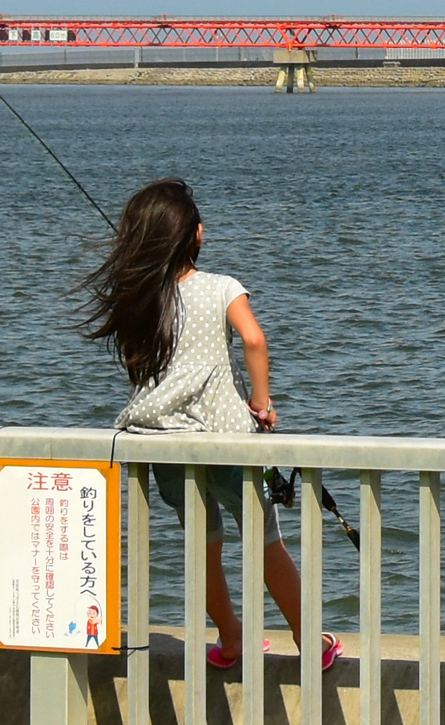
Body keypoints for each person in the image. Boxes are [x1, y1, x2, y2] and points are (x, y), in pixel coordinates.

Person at [84, 177, 331, 676]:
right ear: (194, 236)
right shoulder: (221, 287)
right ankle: (311, 642)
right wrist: (261, 401)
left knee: (204, 542)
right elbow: (254, 340)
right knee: (264, 540)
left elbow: (142, 365)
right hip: (225, 439)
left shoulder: (140, 298)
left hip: (163, 443)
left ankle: (232, 638)